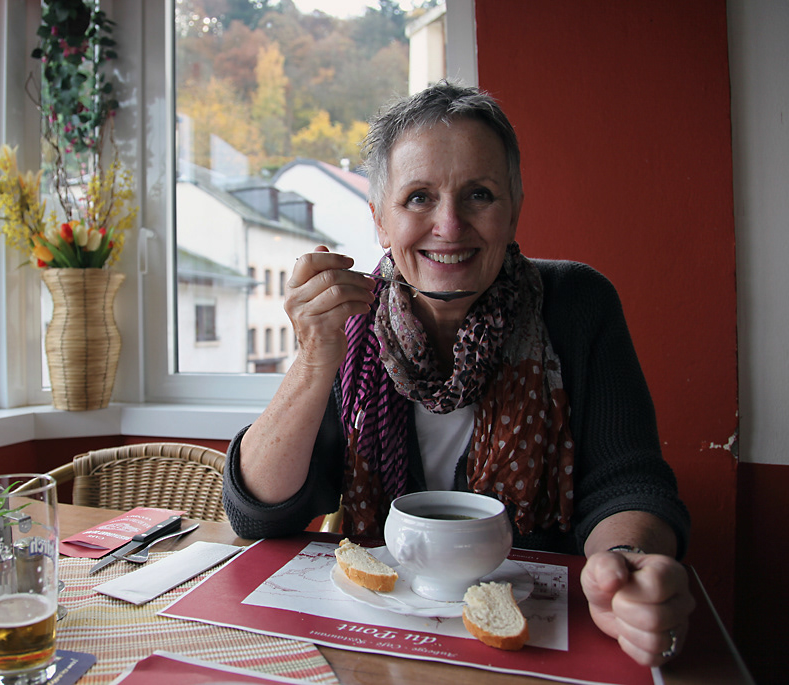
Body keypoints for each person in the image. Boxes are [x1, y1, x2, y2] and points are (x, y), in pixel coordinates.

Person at [222, 81, 695, 666]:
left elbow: (627, 484)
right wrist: (316, 358)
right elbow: (259, 511)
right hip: (383, 635)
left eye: (479, 195)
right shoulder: (348, 320)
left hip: (534, 637)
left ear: (514, 209)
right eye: (419, 197)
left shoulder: (578, 304)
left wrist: (624, 568)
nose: (449, 225)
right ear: (380, 221)